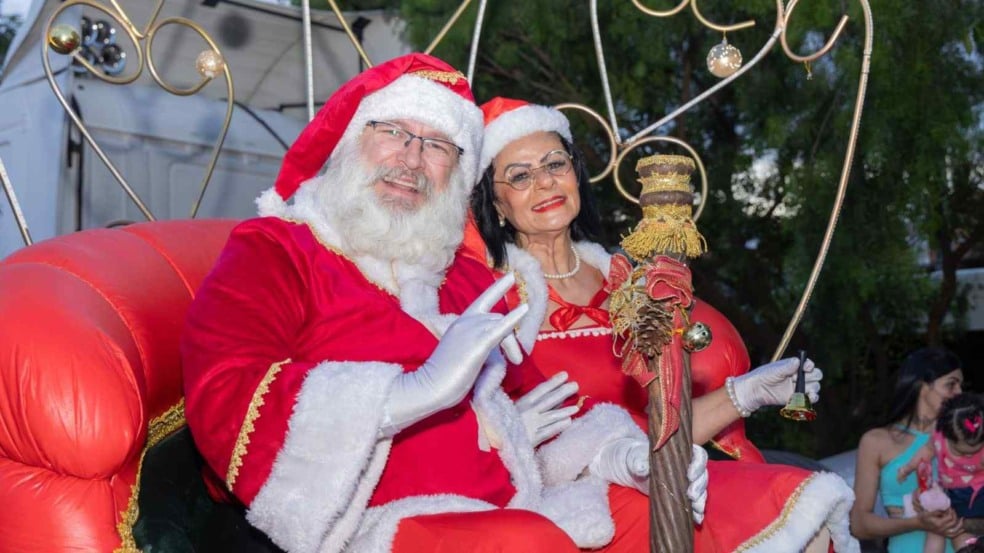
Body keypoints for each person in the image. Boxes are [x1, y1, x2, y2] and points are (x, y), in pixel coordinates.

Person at [181, 54, 709, 553]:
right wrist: (410, 395)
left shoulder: (462, 277)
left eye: (438, 146)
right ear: (347, 141)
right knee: (526, 544)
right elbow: (226, 396)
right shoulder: (276, 247)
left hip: (510, 503)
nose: (411, 160)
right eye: (392, 131)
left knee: (655, 511)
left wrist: (624, 456)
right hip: (363, 526)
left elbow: (547, 413)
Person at [466, 97, 860, 552]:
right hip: (571, 508)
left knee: (803, 510)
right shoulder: (489, 300)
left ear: (576, 173)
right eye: (519, 175)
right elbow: (478, 447)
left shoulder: (630, 284)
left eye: (556, 163)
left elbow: (664, 434)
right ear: (494, 203)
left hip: (664, 480)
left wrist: (747, 393)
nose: (545, 182)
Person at [851, 347, 966, 552]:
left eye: (960, 385)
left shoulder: (967, 439)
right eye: (951, 385)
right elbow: (859, 524)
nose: (959, 392)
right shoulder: (877, 441)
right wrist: (916, 523)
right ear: (922, 386)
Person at [898, 392, 984, 551]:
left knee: (962, 531)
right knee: (939, 527)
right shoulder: (939, 437)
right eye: (961, 452)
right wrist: (908, 467)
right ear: (947, 437)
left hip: (979, 491)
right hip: (952, 492)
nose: (969, 456)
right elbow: (926, 451)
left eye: (975, 451)